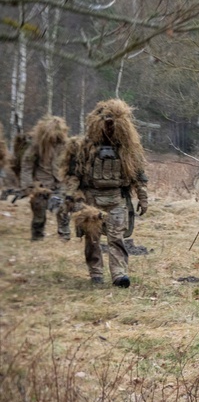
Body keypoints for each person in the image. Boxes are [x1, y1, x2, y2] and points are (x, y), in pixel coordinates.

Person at [63, 99, 149, 287]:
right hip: (91, 200)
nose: (109, 128)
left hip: (116, 200)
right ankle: (96, 273)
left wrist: (143, 198)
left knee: (116, 238)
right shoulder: (83, 147)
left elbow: (138, 176)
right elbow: (74, 175)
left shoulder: (128, 149)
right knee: (92, 239)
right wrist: (70, 196)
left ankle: (119, 274)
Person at [20, 115, 71, 240]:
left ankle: (64, 236)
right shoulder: (37, 146)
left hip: (60, 183)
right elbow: (27, 165)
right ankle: (37, 236)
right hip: (42, 184)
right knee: (39, 211)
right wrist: (28, 185)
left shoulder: (65, 145)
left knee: (63, 208)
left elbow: (71, 164)